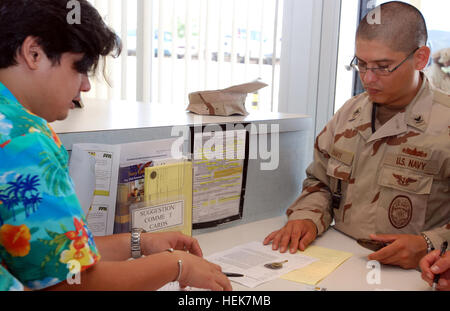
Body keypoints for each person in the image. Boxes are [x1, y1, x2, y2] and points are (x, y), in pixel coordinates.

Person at [0, 0, 231, 291]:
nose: (85, 86)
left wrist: (140, 243)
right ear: (34, 53)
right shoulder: (22, 139)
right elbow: (74, 284)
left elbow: (50, 254)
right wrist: (177, 267)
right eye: (80, 68)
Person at [264, 1, 450, 270]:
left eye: (383, 66)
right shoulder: (350, 113)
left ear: (420, 58)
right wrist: (307, 216)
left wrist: (430, 243)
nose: (368, 78)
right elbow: (320, 181)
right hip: (340, 262)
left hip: (416, 276)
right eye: (361, 64)